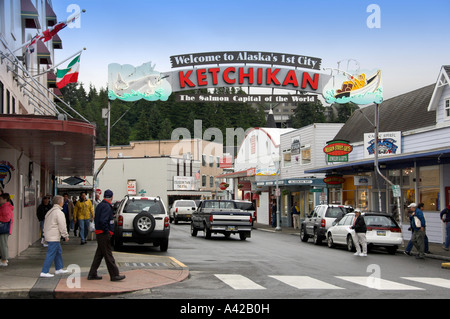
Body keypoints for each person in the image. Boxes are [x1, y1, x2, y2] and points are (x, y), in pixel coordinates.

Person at [88, 189, 125, 282]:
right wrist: (107, 231)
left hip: (100, 233)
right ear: (111, 197)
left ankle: (92, 273)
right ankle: (114, 275)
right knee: (108, 255)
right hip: (103, 234)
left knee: (99, 255)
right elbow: (104, 221)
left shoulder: (100, 205)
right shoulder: (107, 207)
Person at [40, 195, 69, 278]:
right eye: (62, 201)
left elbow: (45, 224)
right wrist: (65, 236)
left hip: (49, 235)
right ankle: (44, 271)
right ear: (60, 203)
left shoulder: (50, 211)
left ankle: (59, 268)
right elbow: (62, 225)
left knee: (58, 252)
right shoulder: (59, 213)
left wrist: (44, 234)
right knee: (51, 253)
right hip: (54, 237)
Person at [0, 193, 14, 267]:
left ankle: (4, 260)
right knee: (3, 244)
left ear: (5, 199)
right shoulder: (6, 206)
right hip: (6, 228)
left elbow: (6, 218)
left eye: (1, 199)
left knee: (3, 244)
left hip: (3, 228)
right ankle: (4, 258)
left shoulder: (5, 207)